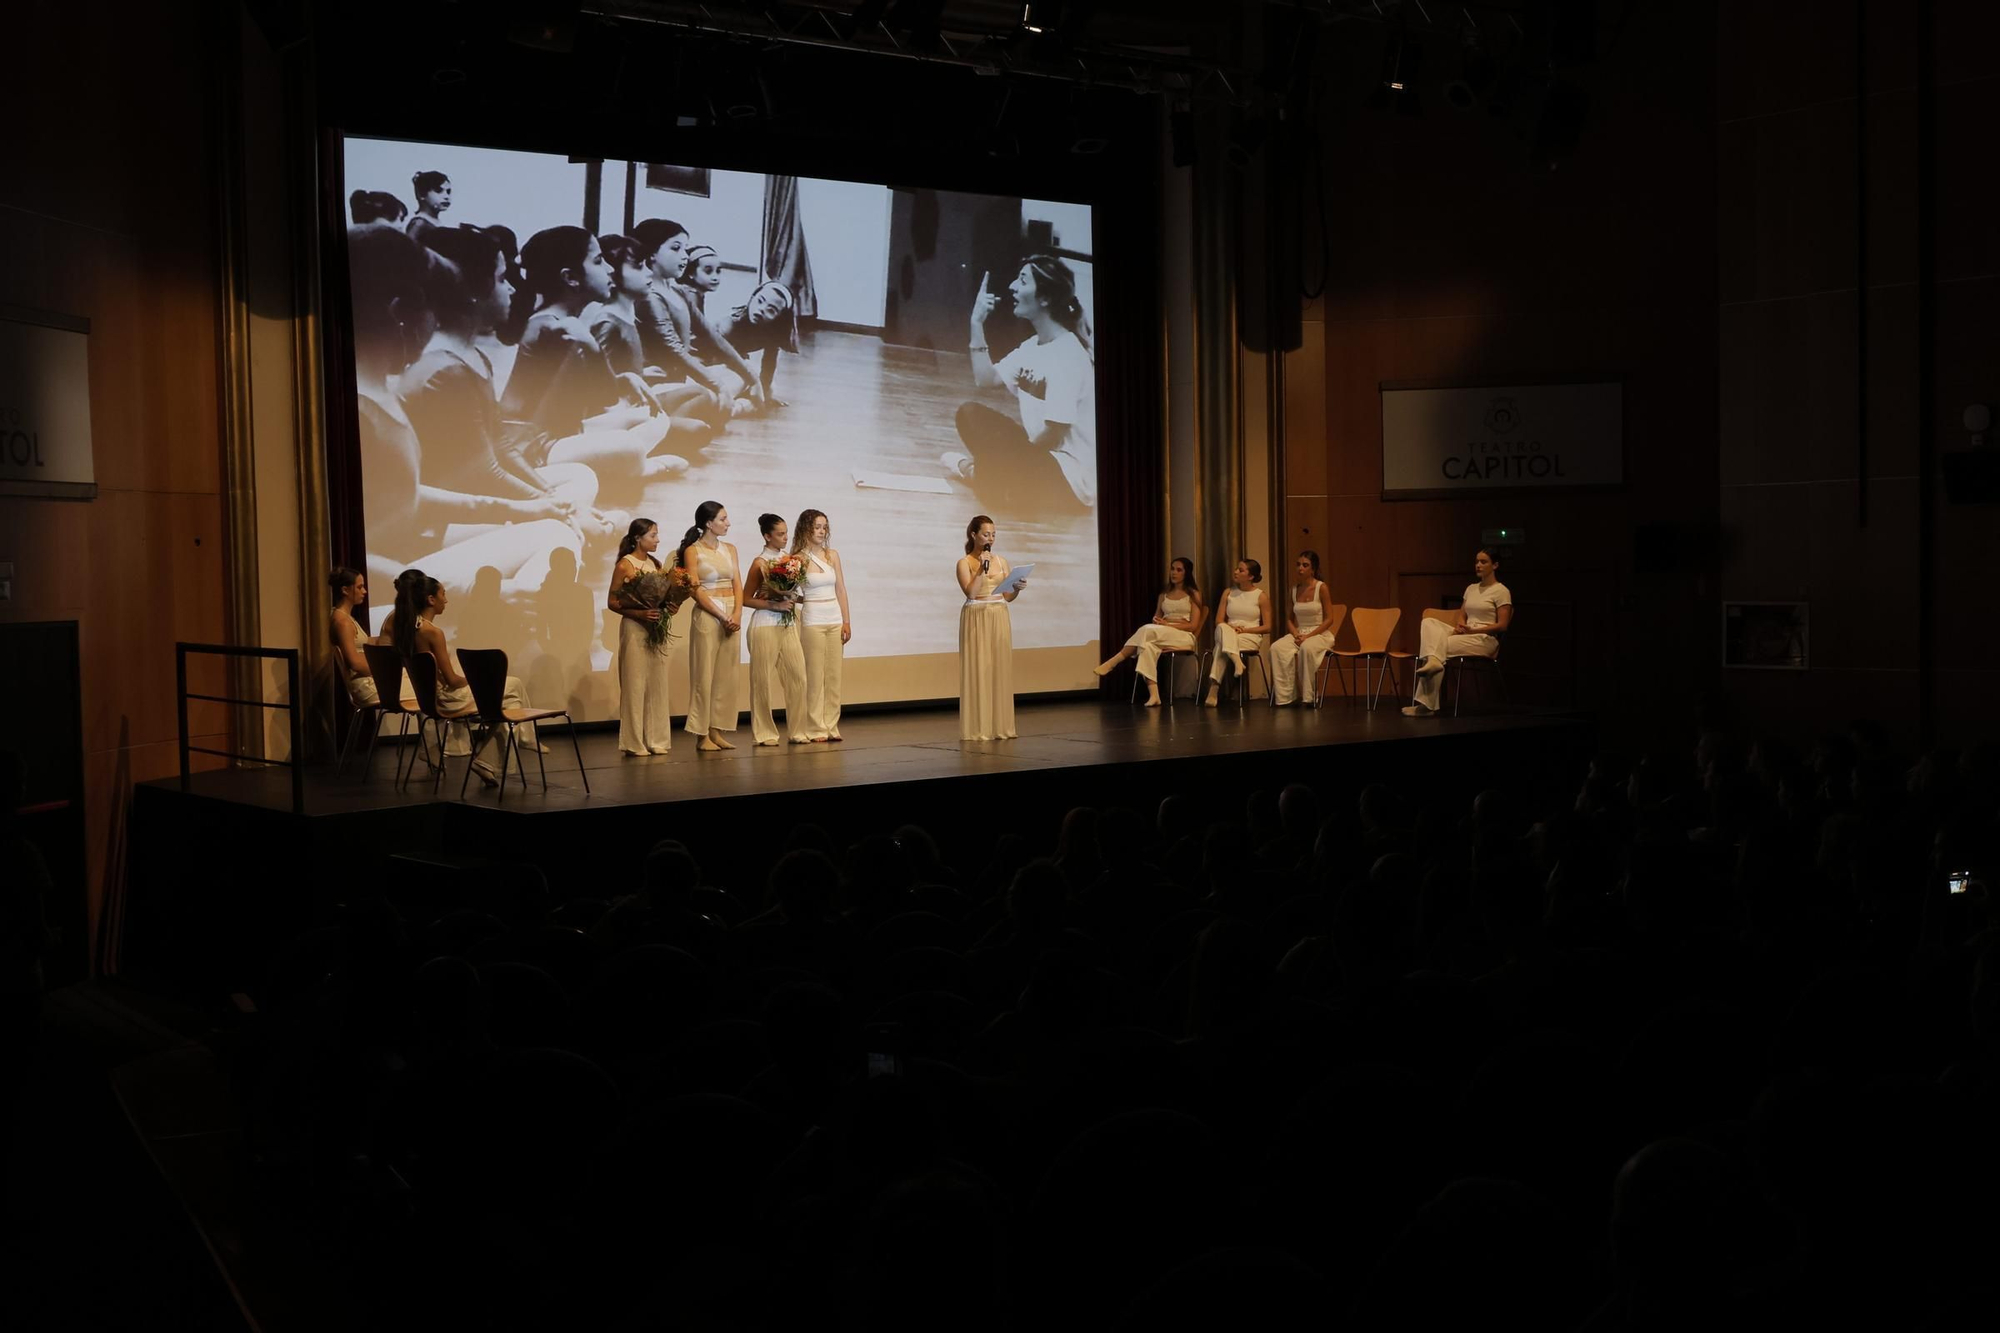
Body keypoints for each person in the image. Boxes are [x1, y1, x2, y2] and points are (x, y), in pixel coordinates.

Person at [348, 224, 586, 601]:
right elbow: (351, 559)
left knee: (555, 528)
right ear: (399, 313)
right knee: (554, 542)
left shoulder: (377, 392)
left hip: (412, 551)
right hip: (395, 579)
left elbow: (405, 496)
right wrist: (461, 591)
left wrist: (534, 507)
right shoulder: (365, 405)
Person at [502, 225, 696, 493]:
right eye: (597, 261)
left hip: (558, 433)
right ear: (570, 278)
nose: (608, 269)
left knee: (655, 417)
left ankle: (620, 464)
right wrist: (593, 348)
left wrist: (623, 377)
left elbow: (591, 392)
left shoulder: (568, 322)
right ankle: (642, 468)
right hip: (531, 445)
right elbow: (599, 398)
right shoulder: (553, 328)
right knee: (629, 447)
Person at [944, 255, 1095, 512]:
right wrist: (976, 323)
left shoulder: (1067, 355)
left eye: (1022, 280)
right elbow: (985, 379)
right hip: (1038, 458)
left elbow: (1054, 433)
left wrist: (1010, 460)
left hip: (1067, 480)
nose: (1013, 286)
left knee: (998, 489)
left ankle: (978, 474)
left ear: (1044, 298)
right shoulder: (1032, 347)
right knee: (969, 414)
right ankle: (997, 482)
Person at [390, 573, 536, 784]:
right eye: (443, 594)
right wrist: (474, 680)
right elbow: (451, 680)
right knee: (513, 683)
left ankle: (487, 762)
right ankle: (526, 737)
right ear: (431, 599)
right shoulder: (432, 632)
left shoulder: (409, 628)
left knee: (509, 704)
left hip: (429, 699)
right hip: (448, 701)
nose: (446, 600)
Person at [630, 218, 765, 422]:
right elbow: (674, 350)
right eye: (676, 248)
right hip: (662, 385)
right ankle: (733, 409)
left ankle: (721, 406)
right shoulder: (650, 296)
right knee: (709, 395)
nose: (684, 256)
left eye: (685, 249)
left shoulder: (678, 291)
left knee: (743, 370)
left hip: (684, 380)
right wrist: (717, 385)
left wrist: (753, 379)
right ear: (652, 253)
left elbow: (714, 338)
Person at [1403, 548, 1513, 717]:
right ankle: (1433, 664)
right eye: (1476, 561)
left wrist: (1475, 629)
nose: (1478, 565)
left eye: (1483, 562)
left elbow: (1503, 625)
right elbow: (1462, 614)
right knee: (1429, 622)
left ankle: (1426, 706)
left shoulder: (1501, 591)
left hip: (1485, 639)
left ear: (1495, 565)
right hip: (1466, 634)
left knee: (1436, 647)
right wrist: (1461, 625)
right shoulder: (1471, 588)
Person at [1094, 558, 1206, 707]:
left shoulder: (1194, 594)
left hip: (1184, 636)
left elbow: (1193, 625)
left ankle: (1114, 661)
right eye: (1172, 569)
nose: (1174, 572)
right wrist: (1160, 623)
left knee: (1146, 630)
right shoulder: (1164, 595)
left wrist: (1169, 624)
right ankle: (1154, 695)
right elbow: (1156, 619)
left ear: (1187, 573)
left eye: (1179, 570)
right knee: (1146, 646)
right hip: (1162, 633)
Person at [608, 518, 676, 756]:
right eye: (653, 536)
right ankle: (634, 741)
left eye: (657, 535)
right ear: (638, 537)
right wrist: (639, 612)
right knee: (634, 684)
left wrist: (669, 605)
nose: (657, 540)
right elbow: (613, 602)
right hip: (635, 627)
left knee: (656, 683)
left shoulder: (655, 564)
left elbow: (662, 596)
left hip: (653, 626)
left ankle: (656, 738)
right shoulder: (625, 565)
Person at [957, 514, 1026, 741]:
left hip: (998, 614)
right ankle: (979, 728)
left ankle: (1000, 727)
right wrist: (981, 568)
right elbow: (971, 592)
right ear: (974, 535)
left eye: (994, 534)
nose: (991, 539)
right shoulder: (964, 562)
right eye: (986, 534)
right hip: (976, 615)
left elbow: (1007, 597)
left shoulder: (1001, 561)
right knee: (979, 669)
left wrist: (1016, 588)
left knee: (998, 668)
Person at [680, 501, 741, 751]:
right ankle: (701, 733)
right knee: (704, 675)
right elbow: (695, 588)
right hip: (708, 613)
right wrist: (720, 614)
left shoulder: (730, 549)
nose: (727, 523)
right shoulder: (693, 551)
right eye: (723, 519)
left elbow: (738, 582)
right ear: (708, 523)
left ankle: (716, 729)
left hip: (730, 613)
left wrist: (736, 614)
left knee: (726, 675)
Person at [743, 513, 808, 746]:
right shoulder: (759, 563)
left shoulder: (790, 561)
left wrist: (799, 600)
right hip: (765, 624)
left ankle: (798, 730)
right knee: (762, 681)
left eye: (786, 533)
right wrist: (775, 603)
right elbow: (744, 598)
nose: (784, 537)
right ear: (767, 536)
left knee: (798, 677)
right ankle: (764, 733)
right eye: (780, 534)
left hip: (788, 623)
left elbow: (792, 591)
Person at [792, 509, 853, 743]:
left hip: (834, 618)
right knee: (815, 675)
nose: (821, 531)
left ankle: (831, 725)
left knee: (834, 675)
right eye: (817, 526)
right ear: (806, 528)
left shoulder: (832, 555)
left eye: (824, 527)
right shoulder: (798, 558)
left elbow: (841, 589)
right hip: (813, 619)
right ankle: (816, 727)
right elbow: (790, 592)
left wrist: (846, 620)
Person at [710, 280, 798, 406]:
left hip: (731, 362)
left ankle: (737, 398)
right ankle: (720, 402)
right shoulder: (730, 324)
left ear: (779, 319)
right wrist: (753, 382)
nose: (761, 309)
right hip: (707, 362)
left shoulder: (771, 332)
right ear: (752, 298)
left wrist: (766, 394)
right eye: (760, 301)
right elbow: (721, 358)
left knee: (769, 386)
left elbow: (769, 364)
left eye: (771, 310)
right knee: (743, 379)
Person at [1270, 550, 1339, 706]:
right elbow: (1288, 618)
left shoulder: (1321, 587)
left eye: (1305, 565)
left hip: (1319, 634)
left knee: (1306, 649)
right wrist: (1296, 634)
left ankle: (1308, 697)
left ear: (1313, 569)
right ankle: (1285, 697)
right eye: (1298, 564)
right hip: (1299, 633)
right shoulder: (1293, 590)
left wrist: (1308, 636)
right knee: (1276, 648)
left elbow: (1329, 619)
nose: (1300, 568)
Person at [1207, 558, 1272, 706]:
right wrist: (1231, 629)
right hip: (1228, 632)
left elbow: (1267, 627)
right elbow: (1219, 620)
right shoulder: (1228, 593)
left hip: (1249, 636)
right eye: (1236, 569)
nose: (1236, 572)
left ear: (1251, 576)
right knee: (1222, 629)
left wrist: (1245, 630)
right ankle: (1237, 661)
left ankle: (1214, 689)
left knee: (1221, 646)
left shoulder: (1261, 596)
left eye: (1241, 570)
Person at [330, 566, 377, 705]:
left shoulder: (346, 618)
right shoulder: (342, 622)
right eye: (359, 587)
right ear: (345, 590)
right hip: (365, 685)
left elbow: (364, 642)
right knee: (421, 686)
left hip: (369, 678)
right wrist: (384, 669)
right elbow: (354, 663)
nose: (364, 591)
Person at [406, 170, 451, 246]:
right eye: (439, 191)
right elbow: (408, 250)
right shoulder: (419, 224)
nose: (446, 197)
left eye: (448, 192)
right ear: (422, 194)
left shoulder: (436, 222)